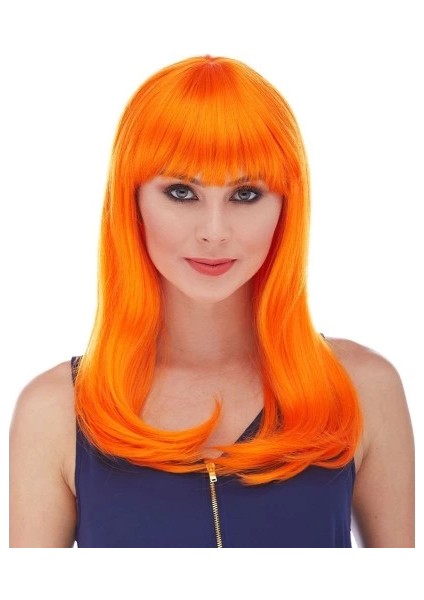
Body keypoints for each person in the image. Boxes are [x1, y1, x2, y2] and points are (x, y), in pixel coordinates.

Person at [9, 54, 415, 548]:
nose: (214, 232)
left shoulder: (363, 389)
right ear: (132, 201)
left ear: (286, 206)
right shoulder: (55, 411)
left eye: (245, 195)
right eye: (182, 192)